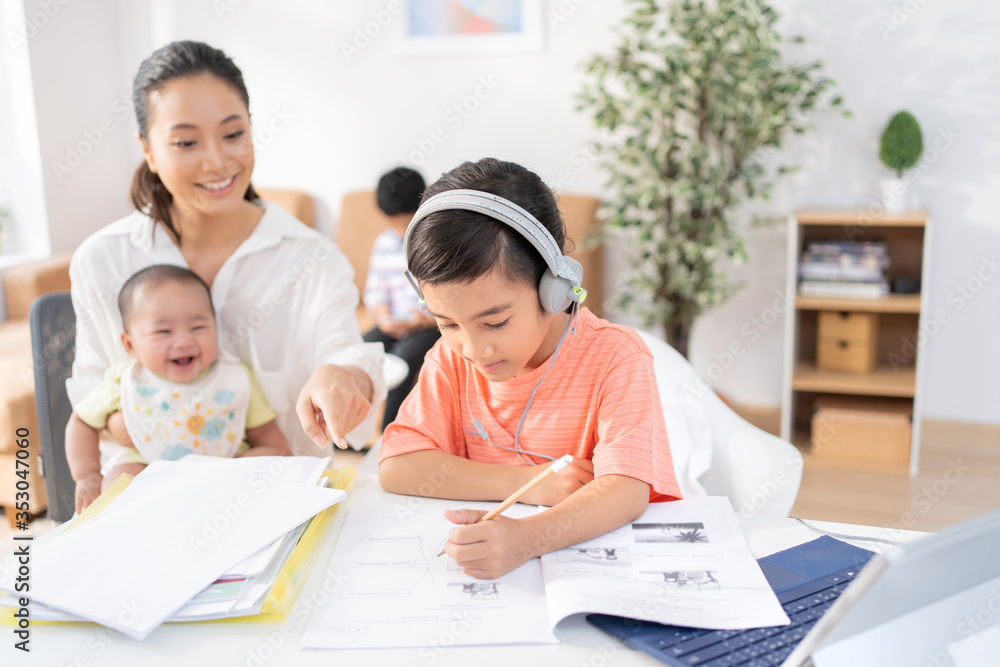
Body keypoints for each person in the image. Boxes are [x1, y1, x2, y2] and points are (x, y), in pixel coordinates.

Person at [67, 41, 385, 462]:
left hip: (278, 500)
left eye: (233, 134)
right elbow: (91, 387)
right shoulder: (102, 260)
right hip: (149, 500)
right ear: (148, 151)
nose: (217, 161)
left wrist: (345, 377)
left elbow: (345, 355)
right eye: (185, 143)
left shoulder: (313, 260)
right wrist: (127, 421)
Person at [378, 158, 681, 579]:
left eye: (496, 322)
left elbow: (626, 489)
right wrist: (525, 481)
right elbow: (397, 465)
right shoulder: (450, 358)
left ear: (553, 288)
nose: (473, 348)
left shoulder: (615, 357)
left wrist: (525, 540)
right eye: (447, 324)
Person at [66, 265, 291, 513]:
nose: (184, 341)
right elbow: (81, 421)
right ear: (130, 345)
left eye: (198, 327)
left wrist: (286, 459)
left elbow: (264, 431)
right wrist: (87, 475)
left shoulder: (232, 376)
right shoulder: (125, 381)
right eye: (163, 331)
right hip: (150, 474)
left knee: (270, 456)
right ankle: (143, 528)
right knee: (119, 477)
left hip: (225, 477)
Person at [362, 167, 440, 430]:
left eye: (406, 223)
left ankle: (389, 434)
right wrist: (383, 318)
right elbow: (376, 290)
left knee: (402, 362)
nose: (401, 231)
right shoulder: (384, 243)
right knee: (361, 350)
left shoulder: (438, 241)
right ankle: (355, 433)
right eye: (394, 224)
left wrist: (425, 319)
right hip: (394, 322)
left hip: (428, 325)